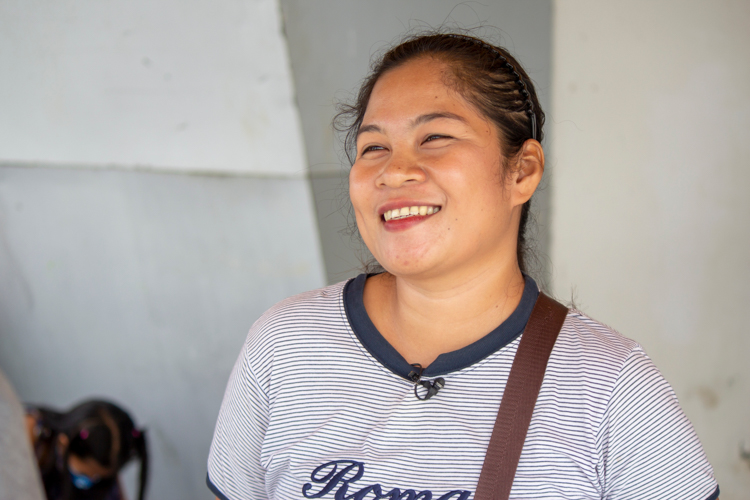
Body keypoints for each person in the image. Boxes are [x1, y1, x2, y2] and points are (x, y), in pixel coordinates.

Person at [207, 32, 719, 499]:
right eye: (373, 147)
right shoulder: (283, 345)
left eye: (435, 138)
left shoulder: (612, 389)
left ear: (522, 170)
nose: (394, 171)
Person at [25, 399, 148, 500]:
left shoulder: (105, 470)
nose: (92, 480)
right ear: (63, 444)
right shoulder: (29, 433)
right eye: (84, 475)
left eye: (98, 477)